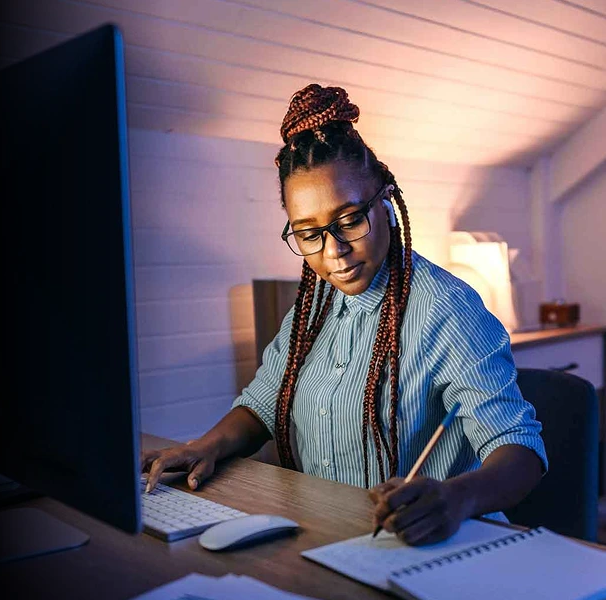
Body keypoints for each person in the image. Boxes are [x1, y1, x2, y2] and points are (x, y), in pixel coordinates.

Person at [142, 84, 547, 546]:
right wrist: (202, 448)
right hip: (328, 537)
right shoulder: (312, 307)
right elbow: (262, 406)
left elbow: (521, 451)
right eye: (308, 233)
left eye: (350, 219)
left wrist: (455, 499)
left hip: (432, 549)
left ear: (388, 204)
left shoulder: (447, 309)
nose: (334, 252)